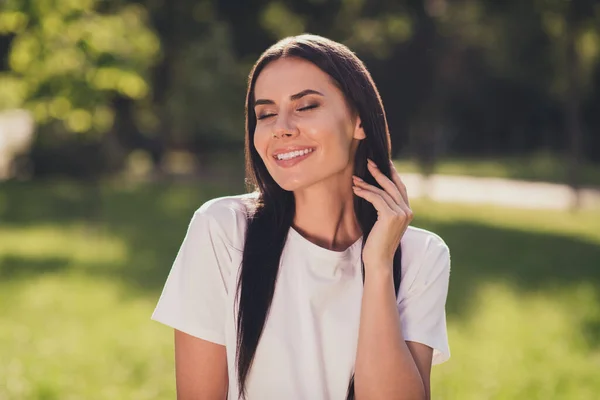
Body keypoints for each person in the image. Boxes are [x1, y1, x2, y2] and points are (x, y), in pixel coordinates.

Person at [151, 34, 451, 400]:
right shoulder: (223, 230)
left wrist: (379, 267)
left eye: (305, 106)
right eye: (265, 114)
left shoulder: (421, 255)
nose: (281, 127)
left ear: (358, 120)